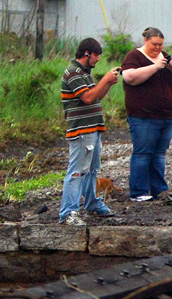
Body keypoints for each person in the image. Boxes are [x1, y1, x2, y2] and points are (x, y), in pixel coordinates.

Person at [121, 27, 172, 202]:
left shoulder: (165, 56)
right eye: (154, 44)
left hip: (167, 116)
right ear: (145, 41)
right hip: (143, 116)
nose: (158, 48)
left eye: (160, 44)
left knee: (159, 155)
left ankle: (159, 190)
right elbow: (129, 77)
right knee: (142, 154)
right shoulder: (134, 57)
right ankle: (139, 192)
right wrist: (155, 67)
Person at [59, 37, 120, 225]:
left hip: (93, 129)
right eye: (96, 56)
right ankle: (68, 212)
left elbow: (96, 97)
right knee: (77, 171)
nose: (98, 60)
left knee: (92, 170)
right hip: (81, 131)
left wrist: (108, 83)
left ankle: (92, 203)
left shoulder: (85, 73)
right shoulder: (73, 73)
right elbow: (87, 98)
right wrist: (104, 80)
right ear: (87, 53)